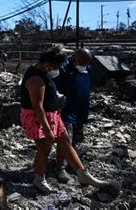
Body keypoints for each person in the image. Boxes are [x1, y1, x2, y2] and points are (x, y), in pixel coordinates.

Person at [20, 45, 107, 193]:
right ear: (48, 65)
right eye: (57, 67)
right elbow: (37, 107)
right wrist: (47, 130)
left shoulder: (44, 71)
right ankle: (39, 179)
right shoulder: (35, 79)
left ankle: (83, 174)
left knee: (66, 141)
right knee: (45, 147)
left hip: (52, 115)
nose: (59, 70)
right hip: (38, 118)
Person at [54, 48, 93, 183]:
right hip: (67, 112)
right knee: (65, 141)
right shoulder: (64, 71)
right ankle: (60, 167)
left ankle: (72, 163)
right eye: (83, 63)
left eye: (87, 64)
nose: (85, 66)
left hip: (80, 112)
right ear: (75, 60)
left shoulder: (86, 69)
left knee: (75, 140)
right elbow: (57, 92)